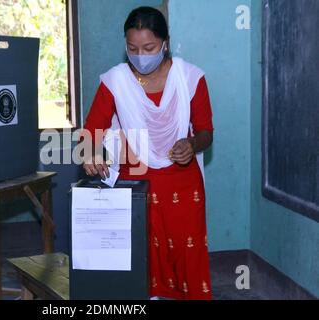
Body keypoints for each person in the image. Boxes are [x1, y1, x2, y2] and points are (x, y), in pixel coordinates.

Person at [79, 6, 214, 300]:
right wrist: (90, 152)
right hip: (136, 181)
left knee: (186, 255)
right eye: (132, 48)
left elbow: (206, 131)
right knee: (141, 256)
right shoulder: (115, 81)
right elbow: (92, 130)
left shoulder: (190, 78)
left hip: (182, 181)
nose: (140, 55)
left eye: (149, 47)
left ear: (165, 43)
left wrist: (191, 145)